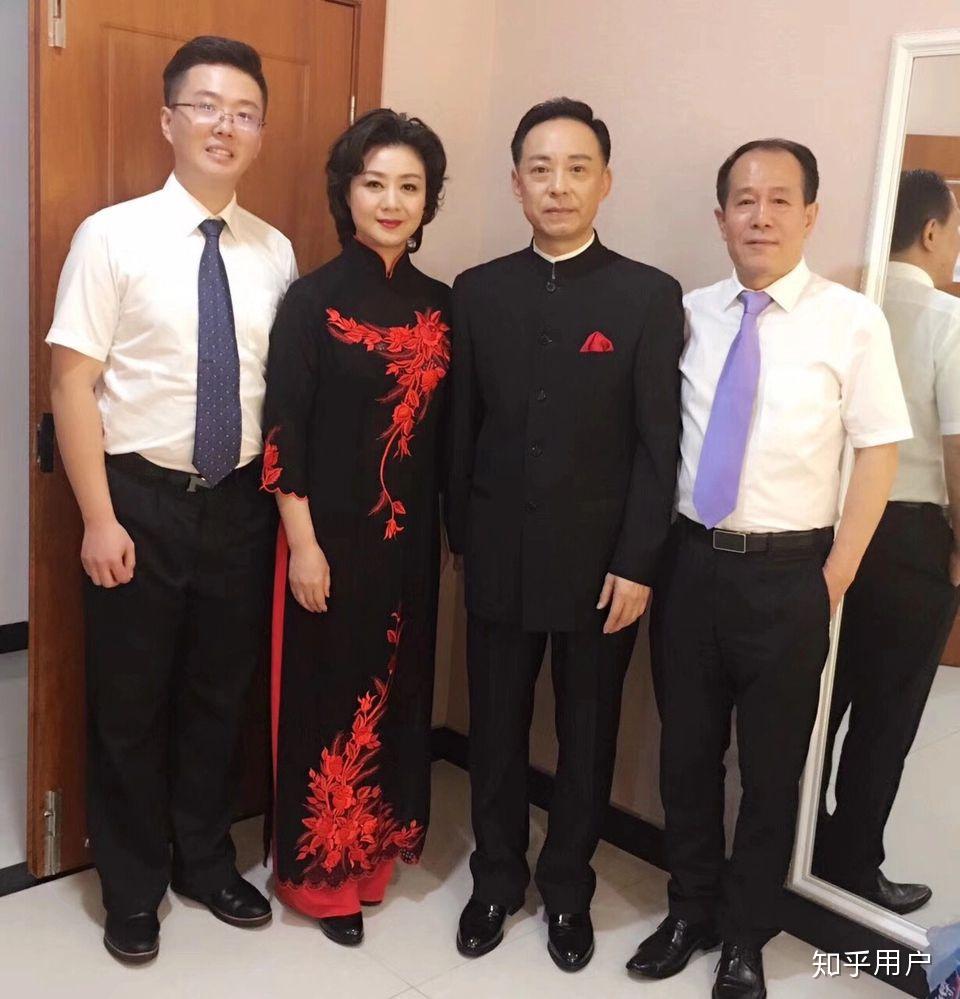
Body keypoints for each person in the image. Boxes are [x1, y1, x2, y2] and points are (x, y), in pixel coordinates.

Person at [628, 139, 912, 999]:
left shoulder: (851, 321)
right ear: (720, 219)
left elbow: (879, 449)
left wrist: (836, 573)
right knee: (685, 755)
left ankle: (746, 934)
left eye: (780, 199)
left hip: (791, 575)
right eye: (744, 201)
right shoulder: (688, 313)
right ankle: (690, 909)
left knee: (772, 767)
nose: (761, 216)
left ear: (810, 215)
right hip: (689, 563)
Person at [46, 37, 297, 963]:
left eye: (244, 112)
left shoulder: (275, 251)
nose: (224, 125)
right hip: (138, 501)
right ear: (169, 120)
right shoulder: (110, 235)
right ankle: (131, 884)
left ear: (260, 132)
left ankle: (204, 858)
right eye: (206, 106)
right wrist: (99, 517)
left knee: (218, 694)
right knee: (130, 702)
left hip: (241, 504)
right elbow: (72, 382)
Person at [446, 98, 684, 973]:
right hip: (497, 556)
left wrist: (638, 560)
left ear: (605, 182)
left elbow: (659, 445)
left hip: (601, 570)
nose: (558, 185)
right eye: (539, 169)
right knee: (495, 730)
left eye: (577, 168)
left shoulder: (647, 295)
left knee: (587, 736)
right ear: (516, 183)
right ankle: (495, 879)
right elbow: (460, 429)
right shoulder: (478, 290)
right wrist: (462, 538)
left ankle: (569, 889)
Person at [262, 108, 449, 947]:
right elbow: (284, 430)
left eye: (410, 186)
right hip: (326, 540)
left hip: (407, 547)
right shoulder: (311, 300)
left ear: (428, 200)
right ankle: (318, 877)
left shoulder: (443, 306)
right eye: (375, 183)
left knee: (395, 695)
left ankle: (371, 860)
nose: (392, 201)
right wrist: (301, 543)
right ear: (346, 192)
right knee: (327, 697)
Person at [815, 169, 960, 914]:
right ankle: (850, 864)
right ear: (931, 231)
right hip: (911, 538)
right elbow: (959, 448)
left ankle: (799, 843)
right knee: (886, 711)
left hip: (830, 524)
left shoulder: (844, 307)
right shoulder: (948, 319)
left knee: (820, 698)